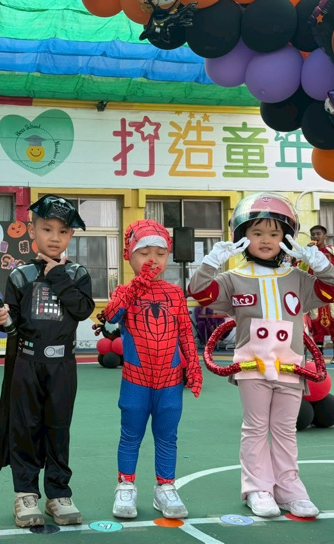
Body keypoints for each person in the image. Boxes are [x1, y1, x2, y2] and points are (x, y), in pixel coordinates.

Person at [187, 193, 334, 519]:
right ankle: (257, 488)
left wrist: (318, 263)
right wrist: (211, 262)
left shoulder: (298, 278)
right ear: (242, 237)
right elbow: (200, 292)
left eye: (274, 233)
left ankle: (290, 489)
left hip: (290, 366)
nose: (266, 240)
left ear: (286, 238)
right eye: (256, 233)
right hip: (251, 366)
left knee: (285, 430)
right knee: (256, 428)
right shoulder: (233, 278)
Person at [0, 194, 95, 528]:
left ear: (71, 236)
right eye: (47, 229)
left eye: (62, 231)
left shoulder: (77, 274)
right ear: (32, 230)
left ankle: (58, 494)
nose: (54, 237)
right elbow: (12, 325)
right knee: (25, 428)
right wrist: (1, 319)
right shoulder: (20, 276)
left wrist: (58, 276)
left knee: (58, 429)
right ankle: (25, 494)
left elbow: (83, 309)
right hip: (26, 364)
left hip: (63, 366)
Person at [96, 220, 202, 520]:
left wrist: (194, 367)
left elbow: (185, 333)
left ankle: (165, 487)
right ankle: (125, 485)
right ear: (129, 255)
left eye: (160, 253)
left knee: (167, 435)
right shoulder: (124, 292)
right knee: (130, 434)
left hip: (170, 380)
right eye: (144, 253)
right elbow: (110, 317)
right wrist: (136, 286)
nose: (152, 260)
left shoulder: (175, 293)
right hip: (135, 379)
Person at [302, 225, 334, 363]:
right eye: (313, 234)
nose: (315, 237)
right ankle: (319, 356)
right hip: (315, 293)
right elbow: (302, 271)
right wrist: (307, 254)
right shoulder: (307, 253)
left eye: (318, 234)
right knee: (316, 324)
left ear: (325, 236)